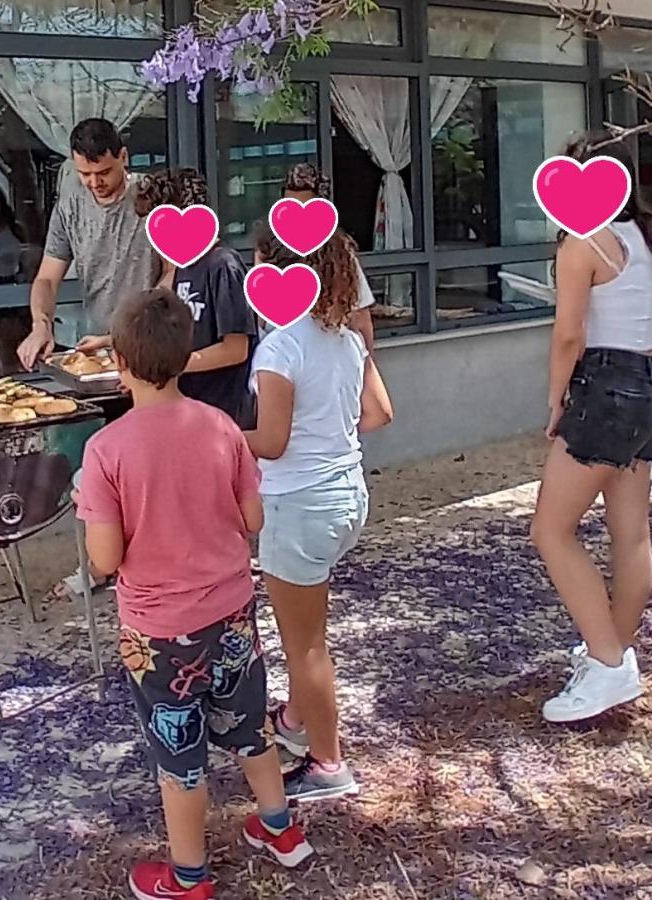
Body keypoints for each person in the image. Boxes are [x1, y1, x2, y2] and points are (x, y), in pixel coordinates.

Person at [76, 288, 314, 899]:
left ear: (120, 365)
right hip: (231, 613)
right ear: (187, 358)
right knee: (249, 726)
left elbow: (104, 560)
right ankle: (282, 829)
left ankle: (189, 877)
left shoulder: (105, 450)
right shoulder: (223, 428)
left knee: (179, 757)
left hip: (158, 633)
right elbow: (253, 520)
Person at [528, 134, 652, 724]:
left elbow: (569, 333)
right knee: (631, 533)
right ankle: (612, 657)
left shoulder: (581, 242)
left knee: (551, 529)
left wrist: (555, 398)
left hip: (604, 385)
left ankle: (608, 663)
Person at [246, 226, 394, 802]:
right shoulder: (345, 340)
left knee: (304, 645)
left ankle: (328, 763)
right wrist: (326, 433)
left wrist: (222, 433)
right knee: (309, 631)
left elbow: (272, 440)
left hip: (298, 504)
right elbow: (379, 412)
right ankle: (294, 720)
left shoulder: (279, 346)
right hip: (346, 494)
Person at [124, 168, 258, 429]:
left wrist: (171, 367)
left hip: (223, 414)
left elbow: (235, 349)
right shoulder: (182, 267)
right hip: (188, 412)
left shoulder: (223, 266)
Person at [16, 118, 154, 371]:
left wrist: (126, 338)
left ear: (123, 157)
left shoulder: (154, 197)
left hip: (153, 346)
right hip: (97, 348)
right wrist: (41, 325)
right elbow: (46, 278)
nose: (94, 183)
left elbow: (173, 277)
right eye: (84, 174)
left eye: (103, 173)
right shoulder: (70, 205)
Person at [280, 164, 379, 350]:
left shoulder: (339, 254)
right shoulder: (270, 251)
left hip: (327, 361)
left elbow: (361, 319)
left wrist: (366, 368)